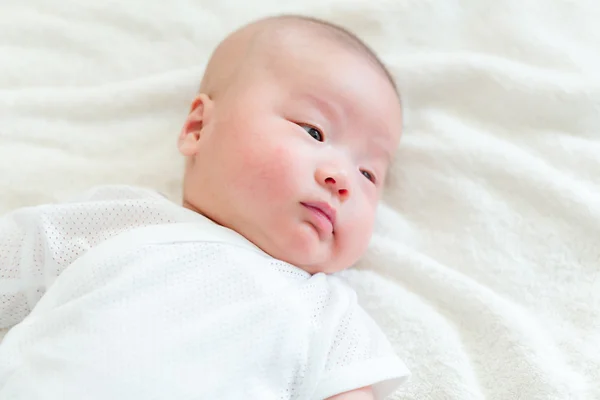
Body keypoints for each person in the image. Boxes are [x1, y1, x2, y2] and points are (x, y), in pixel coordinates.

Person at [0, 15, 407, 400]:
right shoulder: (127, 221)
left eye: (368, 174)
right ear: (198, 128)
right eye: (313, 131)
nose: (343, 180)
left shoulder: (329, 312)